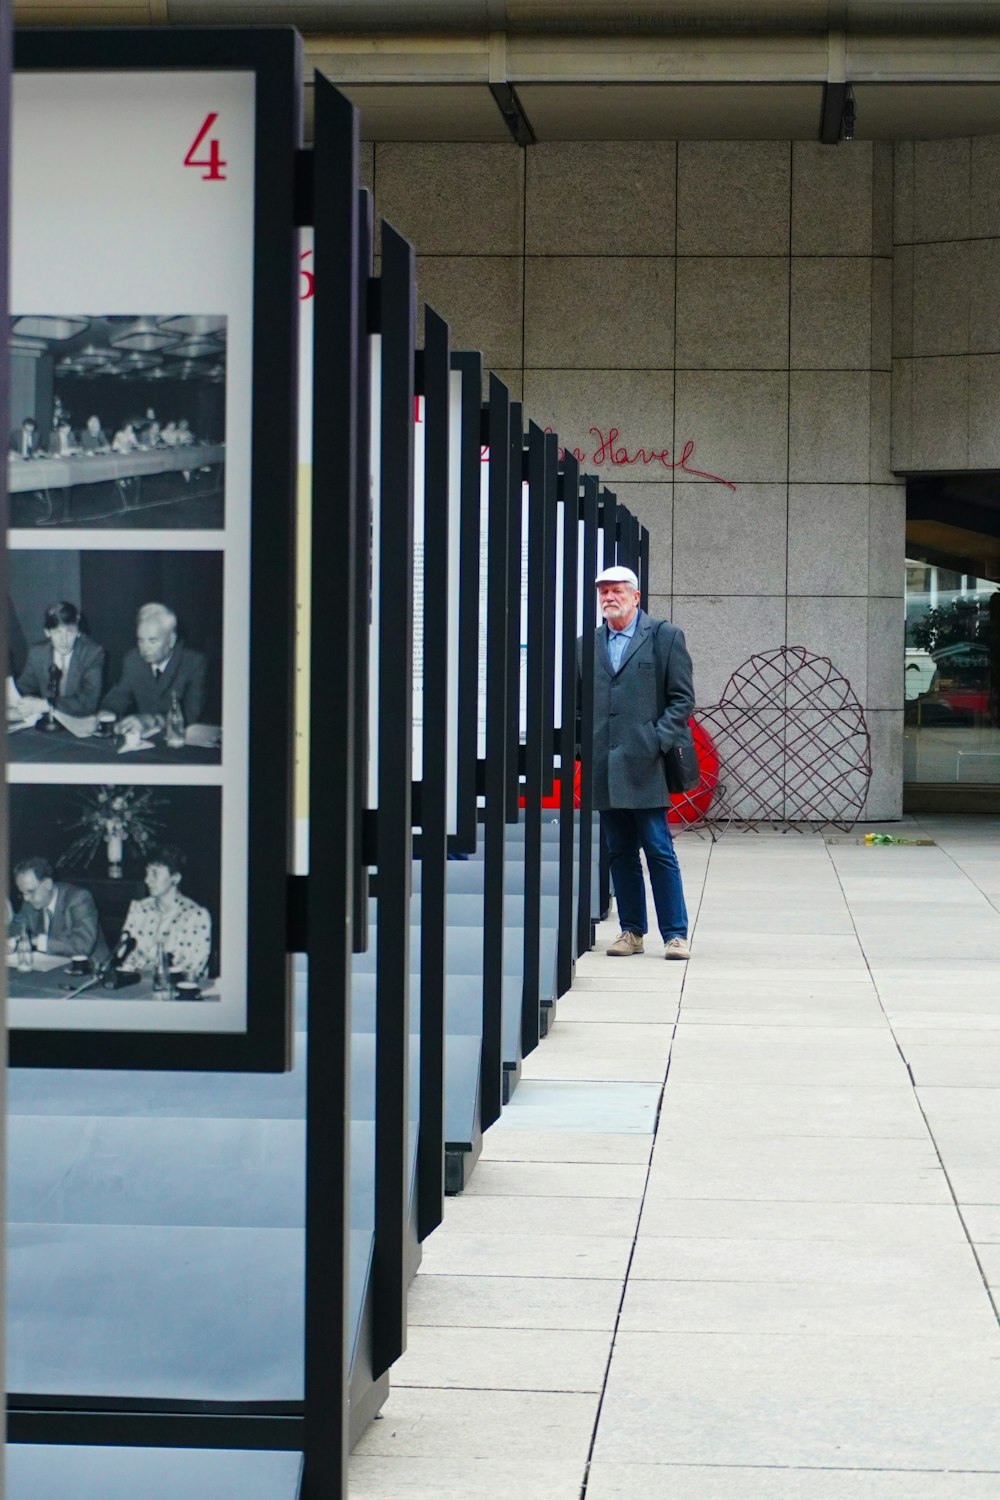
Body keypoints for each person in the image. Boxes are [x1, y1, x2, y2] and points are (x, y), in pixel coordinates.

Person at [581, 564, 695, 961]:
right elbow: (581, 703)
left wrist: (655, 740)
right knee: (620, 852)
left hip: (646, 765)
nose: (608, 598)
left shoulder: (664, 637)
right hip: (605, 766)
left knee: (658, 849)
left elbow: (682, 700)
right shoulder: (588, 644)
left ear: (635, 596)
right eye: (603, 592)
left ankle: (675, 935)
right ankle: (631, 931)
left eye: (616, 591)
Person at [101, 602, 208, 738]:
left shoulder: (194, 663)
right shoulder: (133, 659)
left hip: (184, 742)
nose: (145, 648)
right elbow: (119, 696)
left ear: (171, 640)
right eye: (141, 641)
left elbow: (192, 715)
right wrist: (107, 712)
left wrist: (152, 721)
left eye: (152, 641)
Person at [118, 846, 211, 979]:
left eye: (155, 873)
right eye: (147, 872)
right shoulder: (139, 909)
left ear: (175, 878)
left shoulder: (194, 916)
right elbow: (124, 956)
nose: (147, 880)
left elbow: (191, 969)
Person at [9, 856, 110, 964]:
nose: (26, 898)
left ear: (48, 884)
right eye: (22, 893)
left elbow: (83, 945)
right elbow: (15, 928)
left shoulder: (79, 898)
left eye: (30, 891)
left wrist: (38, 941)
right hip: (53, 967)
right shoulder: (30, 903)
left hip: (91, 968)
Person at [13, 601, 105, 718]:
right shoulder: (37, 653)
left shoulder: (92, 654)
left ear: (78, 632)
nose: (64, 640)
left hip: (79, 722)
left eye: (69, 632)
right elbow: (24, 688)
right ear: (47, 632)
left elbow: (88, 701)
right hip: (46, 722)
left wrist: (46, 705)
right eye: (58, 632)